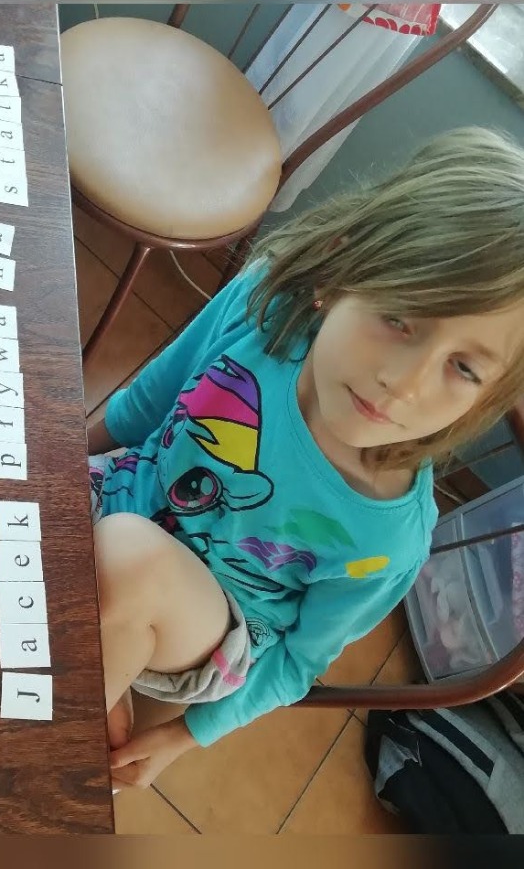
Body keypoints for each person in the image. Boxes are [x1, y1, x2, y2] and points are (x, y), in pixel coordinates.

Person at [87, 127, 524, 790]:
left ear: (483, 400)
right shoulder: (264, 303)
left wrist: (182, 737)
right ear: (340, 270)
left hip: (210, 629)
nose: (405, 384)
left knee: (126, 560)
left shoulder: (386, 539)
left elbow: (297, 661)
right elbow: (146, 402)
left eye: (463, 368)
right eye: (400, 316)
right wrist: (49, 465)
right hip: (124, 494)